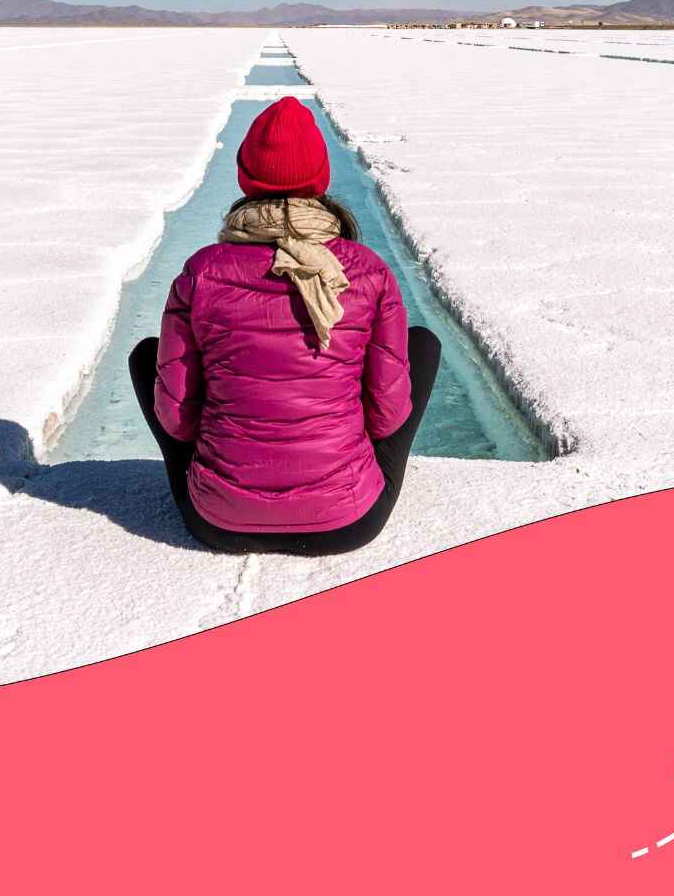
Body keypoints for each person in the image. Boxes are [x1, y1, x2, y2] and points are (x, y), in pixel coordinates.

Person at [128, 96, 441, 557]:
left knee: (145, 356)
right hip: (348, 522)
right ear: (320, 179)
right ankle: (337, 481)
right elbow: (387, 415)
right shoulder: (367, 270)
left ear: (246, 178)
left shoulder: (202, 271)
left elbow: (177, 419)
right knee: (422, 344)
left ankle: (229, 490)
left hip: (217, 523)